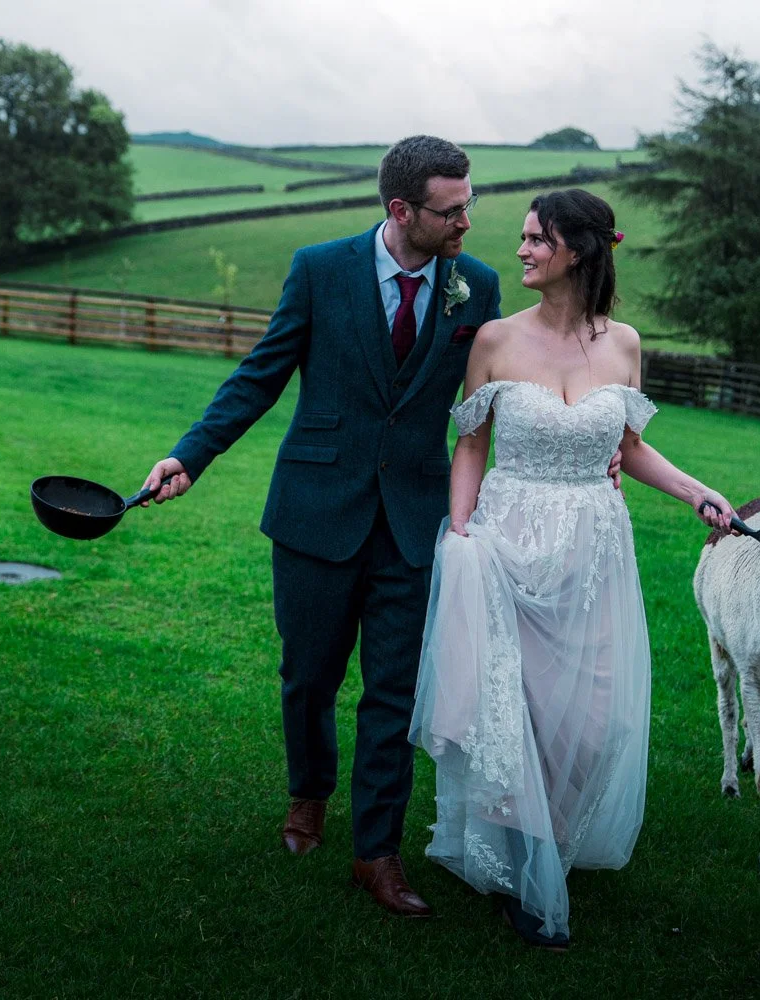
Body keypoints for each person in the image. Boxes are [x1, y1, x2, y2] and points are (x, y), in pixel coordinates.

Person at [142, 136, 501, 916]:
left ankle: (377, 853)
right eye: (452, 210)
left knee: (395, 692)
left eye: (470, 204)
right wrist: (188, 458)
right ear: (402, 211)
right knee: (309, 678)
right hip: (315, 511)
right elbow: (259, 376)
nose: (467, 221)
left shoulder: (478, 285)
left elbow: (503, 393)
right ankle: (307, 796)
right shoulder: (318, 270)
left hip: (414, 519)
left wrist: (600, 441)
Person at [408, 189, 736, 949]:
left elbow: (625, 448)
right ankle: (528, 872)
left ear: (578, 250)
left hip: (592, 549)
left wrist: (696, 492)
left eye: (534, 239)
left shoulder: (623, 344)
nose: (519, 250)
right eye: (521, 238)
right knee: (506, 710)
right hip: (505, 541)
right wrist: (460, 534)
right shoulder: (492, 339)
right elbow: (471, 445)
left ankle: (548, 839)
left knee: (590, 724)